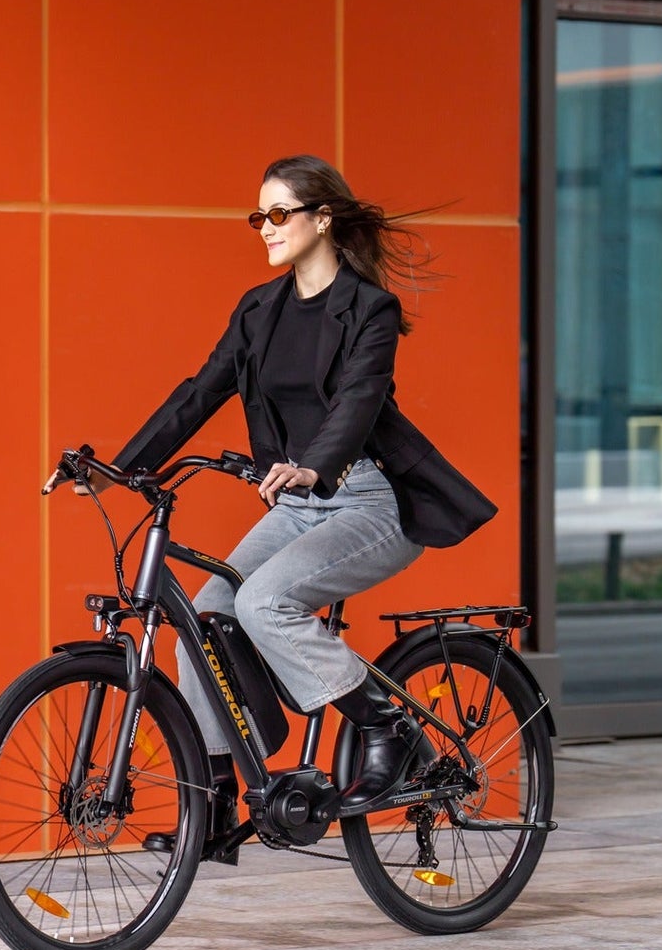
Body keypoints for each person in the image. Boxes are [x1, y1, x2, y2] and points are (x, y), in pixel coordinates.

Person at [112, 154, 498, 862]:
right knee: (202, 620)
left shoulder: (369, 309)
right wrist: (122, 464)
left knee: (263, 602)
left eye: (279, 213)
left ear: (324, 219)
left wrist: (314, 464)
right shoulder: (259, 311)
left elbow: (359, 401)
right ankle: (219, 805)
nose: (266, 228)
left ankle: (387, 728)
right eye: (259, 216)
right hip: (298, 501)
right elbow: (200, 391)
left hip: (368, 498)